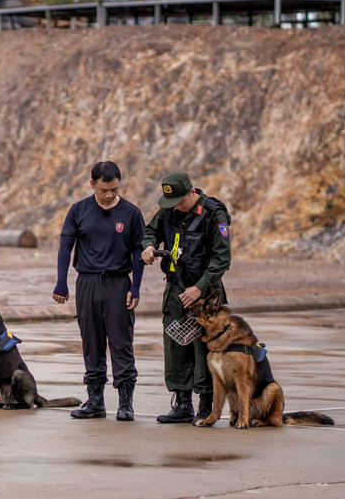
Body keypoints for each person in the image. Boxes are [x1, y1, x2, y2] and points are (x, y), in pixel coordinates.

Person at [53, 161, 145, 421]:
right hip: (88, 282)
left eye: (114, 189)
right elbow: (65, 247)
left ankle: (125, 403)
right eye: (104, 190)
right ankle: (95, 401)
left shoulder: (131, 213)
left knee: (121, 343)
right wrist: (61, 282)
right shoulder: (79, 210)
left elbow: (138, 251)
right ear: (92, 184)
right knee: (91, 342)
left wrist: (136, 287)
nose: (109, 195)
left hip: (118, 283)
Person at [141, 172, 231, 424]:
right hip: (175, 289)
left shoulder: (214, 214)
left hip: (206, 293)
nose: (176, 207)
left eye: (180, 201)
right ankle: (182, 404)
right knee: (175, 344)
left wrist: (199, 288)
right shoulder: (169, 209)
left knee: (205, 348)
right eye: (172, 202)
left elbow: (222, 258)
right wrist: (149, 246)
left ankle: (206, 405)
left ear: (192, 192)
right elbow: (150, 231)